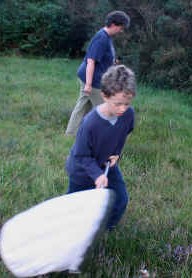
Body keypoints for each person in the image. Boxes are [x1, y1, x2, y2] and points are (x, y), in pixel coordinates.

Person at [65, 65, 136, 231]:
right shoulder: (90, 123)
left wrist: (116, 154)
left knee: (120, 199)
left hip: (107, 166)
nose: (122, 109)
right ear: (104, 96)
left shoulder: (128, 115)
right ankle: (69, 230)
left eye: (127, 103)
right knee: (75, 205)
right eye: (118, 104)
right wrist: (96, 176)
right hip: (81, 171)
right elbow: (81, 155)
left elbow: (123, 134)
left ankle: (104, 229)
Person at [65, 11, 131, 138]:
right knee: (106, 109)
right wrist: (89, 84)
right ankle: (105, 138)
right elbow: (91, 61)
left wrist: (113, 62)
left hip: (94, 78)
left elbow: (102, 58)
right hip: (93, 80)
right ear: (113, 24)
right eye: (121, 27)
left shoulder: (107, 37)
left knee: (83, 106)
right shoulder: (101, 38)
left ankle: (72, 134)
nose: (121, 31)